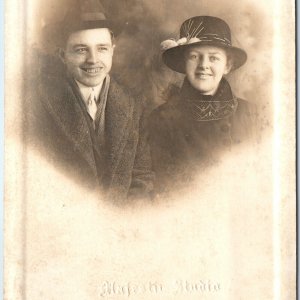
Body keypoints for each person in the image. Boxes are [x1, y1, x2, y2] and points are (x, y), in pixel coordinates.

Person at [27, 0, 154, 201]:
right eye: (81, 50)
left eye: (102, 48)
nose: (93, 60)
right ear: (63, 55)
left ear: (113, 49)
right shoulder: (38, 104)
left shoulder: (134, 105)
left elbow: (142, 178)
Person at [149, 16, 256, 195]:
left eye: (213, 58)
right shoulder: (159, 119)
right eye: (195, 56)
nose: (203, 65)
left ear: (227, 65)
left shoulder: (251, 114)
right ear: (184, 63)